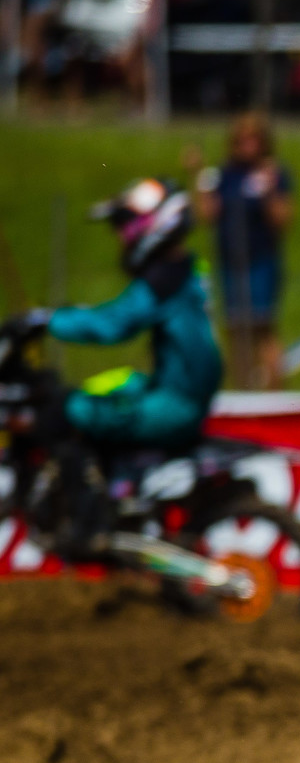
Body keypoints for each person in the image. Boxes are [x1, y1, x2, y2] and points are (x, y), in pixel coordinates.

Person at [1, 179, 223, 556]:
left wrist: (47, 321)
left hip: (174, 404)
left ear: (154, 224)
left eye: (125, 226)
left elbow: (113, 324)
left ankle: (90, 523)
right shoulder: (182, 269)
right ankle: (102, 496)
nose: (122, 238)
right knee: (99, 391)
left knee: (68, 411)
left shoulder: (164, 281)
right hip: (174, 392)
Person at [193, 111, 293, 389]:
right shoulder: (224, 174)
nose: (247, 146)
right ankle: (244, 389)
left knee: (262, 324)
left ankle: (274, 392)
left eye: (253, 140)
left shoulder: (273, 173)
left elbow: (282, 220)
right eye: (242, 140)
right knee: (236, 328)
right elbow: (208, 215)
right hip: (231, 260)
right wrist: (197, 173)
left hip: (261, 259)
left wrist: (270, 189)